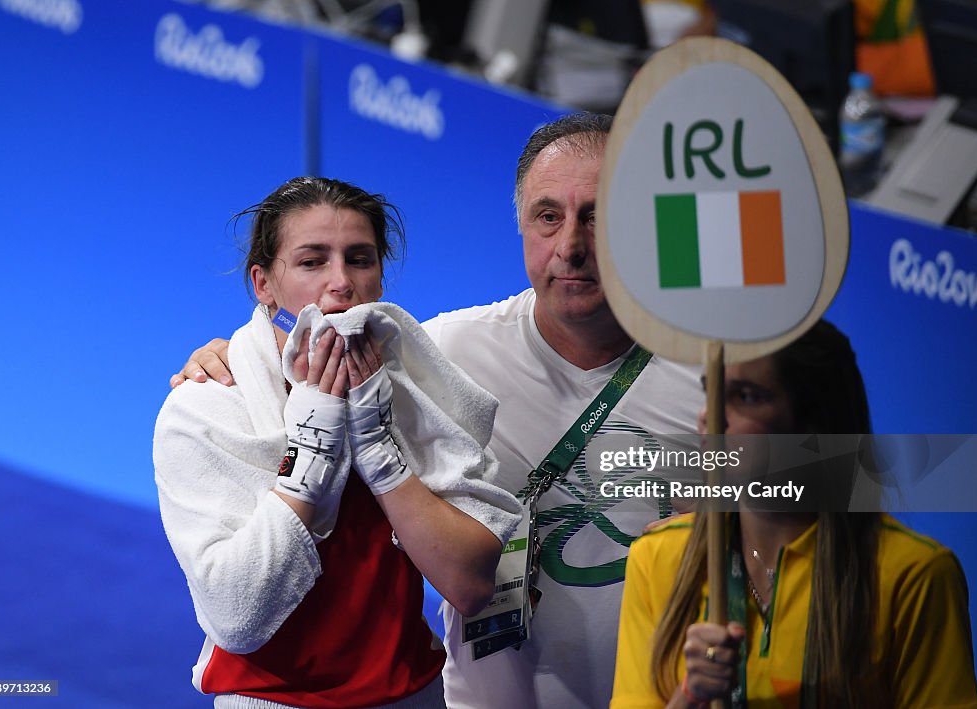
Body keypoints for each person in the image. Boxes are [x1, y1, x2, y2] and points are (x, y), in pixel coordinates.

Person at [170, 113, 705, 708]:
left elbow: (811, 511)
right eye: (548, 216)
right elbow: (298, 362)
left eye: (599, 216)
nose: (571, 246)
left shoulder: (725, 378)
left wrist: (751, 487)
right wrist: (225, 360)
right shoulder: (446, 353)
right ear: (522, 226)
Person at [155, 176, 521, 708]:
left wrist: (378, 449)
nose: (340, 282)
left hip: (413, 693)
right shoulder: (208, 405)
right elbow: (235, 616)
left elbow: (471, 585)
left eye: (359, 259)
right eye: (311, 261)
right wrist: (316, 440)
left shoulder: (417, 390)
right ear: (263, 285)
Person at [611, 320, 977, 708]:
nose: (711, 418)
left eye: (747, 396)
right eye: (712, 393)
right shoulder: (657, 557)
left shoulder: (913, 574)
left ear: (815, 424)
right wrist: (689, 696)